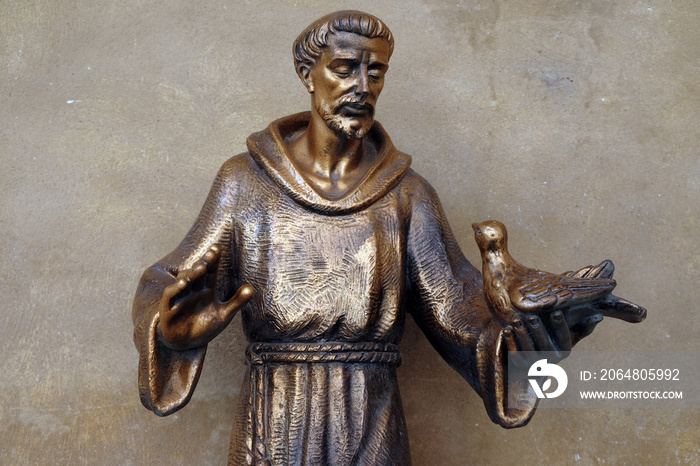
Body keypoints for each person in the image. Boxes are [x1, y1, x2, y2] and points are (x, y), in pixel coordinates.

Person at [133, 11, 613, 465]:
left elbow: (459, 311)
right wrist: (168, 329)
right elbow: (168, 279)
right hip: (274, 415)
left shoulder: (407, 195)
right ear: (308, 74)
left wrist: (523, 339)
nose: (363, 87)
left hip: (372, 417)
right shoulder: (244, 183)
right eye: (344, 69)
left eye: (376, 72)